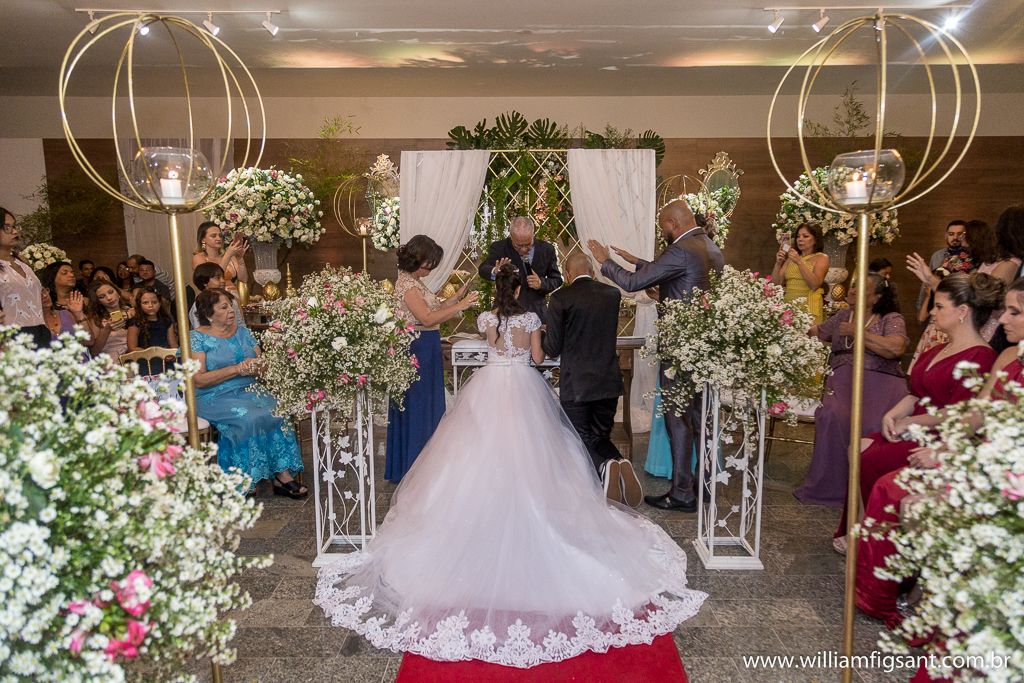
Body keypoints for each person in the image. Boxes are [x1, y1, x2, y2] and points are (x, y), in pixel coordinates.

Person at [314, 264, 707, 667]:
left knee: (476, 455)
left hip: (488, 387)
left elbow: (491, 351)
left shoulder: (488, 319)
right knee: (540, 454)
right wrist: (532, 348)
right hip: (523, 387)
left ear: (495, 288)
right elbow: (537, 356)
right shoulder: (531, 317)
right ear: (518, 287)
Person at [854, 277, 1024, 629]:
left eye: (1014, 312)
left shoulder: (983, 355)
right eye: (1005, 309)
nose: (1003, 320)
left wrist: (942, 448)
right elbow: (977, 413)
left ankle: (923, 595)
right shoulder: (1009, 355)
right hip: (969, 449)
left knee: (901, 493)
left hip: (1003, 469)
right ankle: (882, 590)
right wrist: (946, 447)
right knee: (887, 481)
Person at [833, 272, 1003, 554]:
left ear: (962, 312)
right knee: (857, 446)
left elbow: (961, 413)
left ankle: (867, 533)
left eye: (939, 306)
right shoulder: (939, 347)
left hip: (942, 436)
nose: (932, 312)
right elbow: (916, 393)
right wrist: (893, 415)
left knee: (869, 454)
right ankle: (862, 525)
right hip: (915, 426)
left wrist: (909, 422)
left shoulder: (980, 356)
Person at [588, 200, 724, 512]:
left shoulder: (681, 248)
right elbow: (682, 276)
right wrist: (638, 261)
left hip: (680, 350)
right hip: (704, 348)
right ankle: (702, 485)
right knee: (701, 418)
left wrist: (605, 261)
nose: (663, 231)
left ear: (673, 224)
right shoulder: (710, 247)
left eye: (663, 226)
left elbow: (634, 284)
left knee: (678, 419)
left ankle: (681, 493)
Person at [793, 273, 908, 507]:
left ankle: (870, 492)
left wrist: (859, 333)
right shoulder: (844, 314)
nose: (853, 290)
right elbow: (817, 331)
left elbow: (896, 348)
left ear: (876, 297)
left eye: (861, 288)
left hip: (881, 382)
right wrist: (789, 323)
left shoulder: (890, 317)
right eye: (853, 285)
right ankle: (829, 489)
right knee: (831, 415)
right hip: (843, 380)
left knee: (874, 423)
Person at [541, 253, 643, 507]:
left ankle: (605, 466)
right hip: (608, 381)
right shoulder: (612, 295)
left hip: (577, 384)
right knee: (600, 436)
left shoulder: (560, 298)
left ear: (567, 274)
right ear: (594, 273)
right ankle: (619, 462)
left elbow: (552, 348)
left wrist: (543, 333)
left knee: (580, 438)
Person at [191, 288, 305, 497]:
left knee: (279, 410)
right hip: (214, 395)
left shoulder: (244, 332)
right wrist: (237, 368)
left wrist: (259, 366)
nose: (231, 310)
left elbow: (263, 365)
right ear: (208, 315)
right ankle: (242, 478)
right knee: (247, 418)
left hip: (249, 388)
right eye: (223, 307)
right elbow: (198, 380)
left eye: (231, 305)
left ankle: (282, 474)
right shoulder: (196, 338)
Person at [388, 235, 477, 482]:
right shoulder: (407, 285)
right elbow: (426, 318)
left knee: (429, 403)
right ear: (418, 259)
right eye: (429, 262)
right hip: (416, 347)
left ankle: (425, 463)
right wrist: (460, 307)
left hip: (425, 345)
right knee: (419, 405)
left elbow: (435, 307)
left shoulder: (415, 281)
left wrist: (458, 297)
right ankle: (415, 466)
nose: (431, 268)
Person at [477, 216, 563, 322]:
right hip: (506, 313)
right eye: (518, 246)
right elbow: (483, 269)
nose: (523, 249)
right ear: (511, 236)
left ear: (533, 234)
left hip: (536, 312)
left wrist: (541, 283)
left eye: (528, 245)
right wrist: (496, 270)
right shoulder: (499, 247)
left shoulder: (547, 249)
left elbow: (557, 279)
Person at [0, 207, 49, 348]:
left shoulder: (22, 261)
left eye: (15, 227)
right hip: (10, 334)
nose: (15, 231)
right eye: (7, 228)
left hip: (39, 329)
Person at [770, 222, 830, 325]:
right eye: (798, 236)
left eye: (805, 236)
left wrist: (799, 262)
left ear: (815, 239)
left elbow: (815, 285)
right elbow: (775, 285)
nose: (800, 239)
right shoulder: (790, 259)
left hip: (809, 306)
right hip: (789, 305)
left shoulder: (822, 258)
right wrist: (778, 264)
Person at [914, 219, 967, 311]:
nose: (955, 237)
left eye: (959, 234)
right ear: (946, 235)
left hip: (960, 306)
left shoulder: (969, 257)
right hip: (937, 306)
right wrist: (920, 306)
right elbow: (927, 281)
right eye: (951, 234)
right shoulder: (937, 255)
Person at [192, 223, 247, 298]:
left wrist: (240, 258)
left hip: (233, 296)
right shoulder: (199, 258)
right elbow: (212, 278)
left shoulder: (229, 255)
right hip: (214, 298)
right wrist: (228, 255)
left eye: (220, 235)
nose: (218, 239)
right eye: (213, 236)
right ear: (203, 239)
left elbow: (243, 279)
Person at [84, 279, 135, 359]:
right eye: (102, 297)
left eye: (111, 292)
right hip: (111, 361)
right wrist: (107, 329)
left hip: (135, 359)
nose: (109, 298)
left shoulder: (132, 312)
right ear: (99, 301)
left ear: (117, 292)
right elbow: (93, 352)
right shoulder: (96, 318)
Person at [189, 262, 246, 329]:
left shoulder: (231, 301)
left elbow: (240, 324)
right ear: (205, 282)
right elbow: (199, 329)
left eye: (223, 277)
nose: (222, 281)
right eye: (217, 278)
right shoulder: (199, 305)